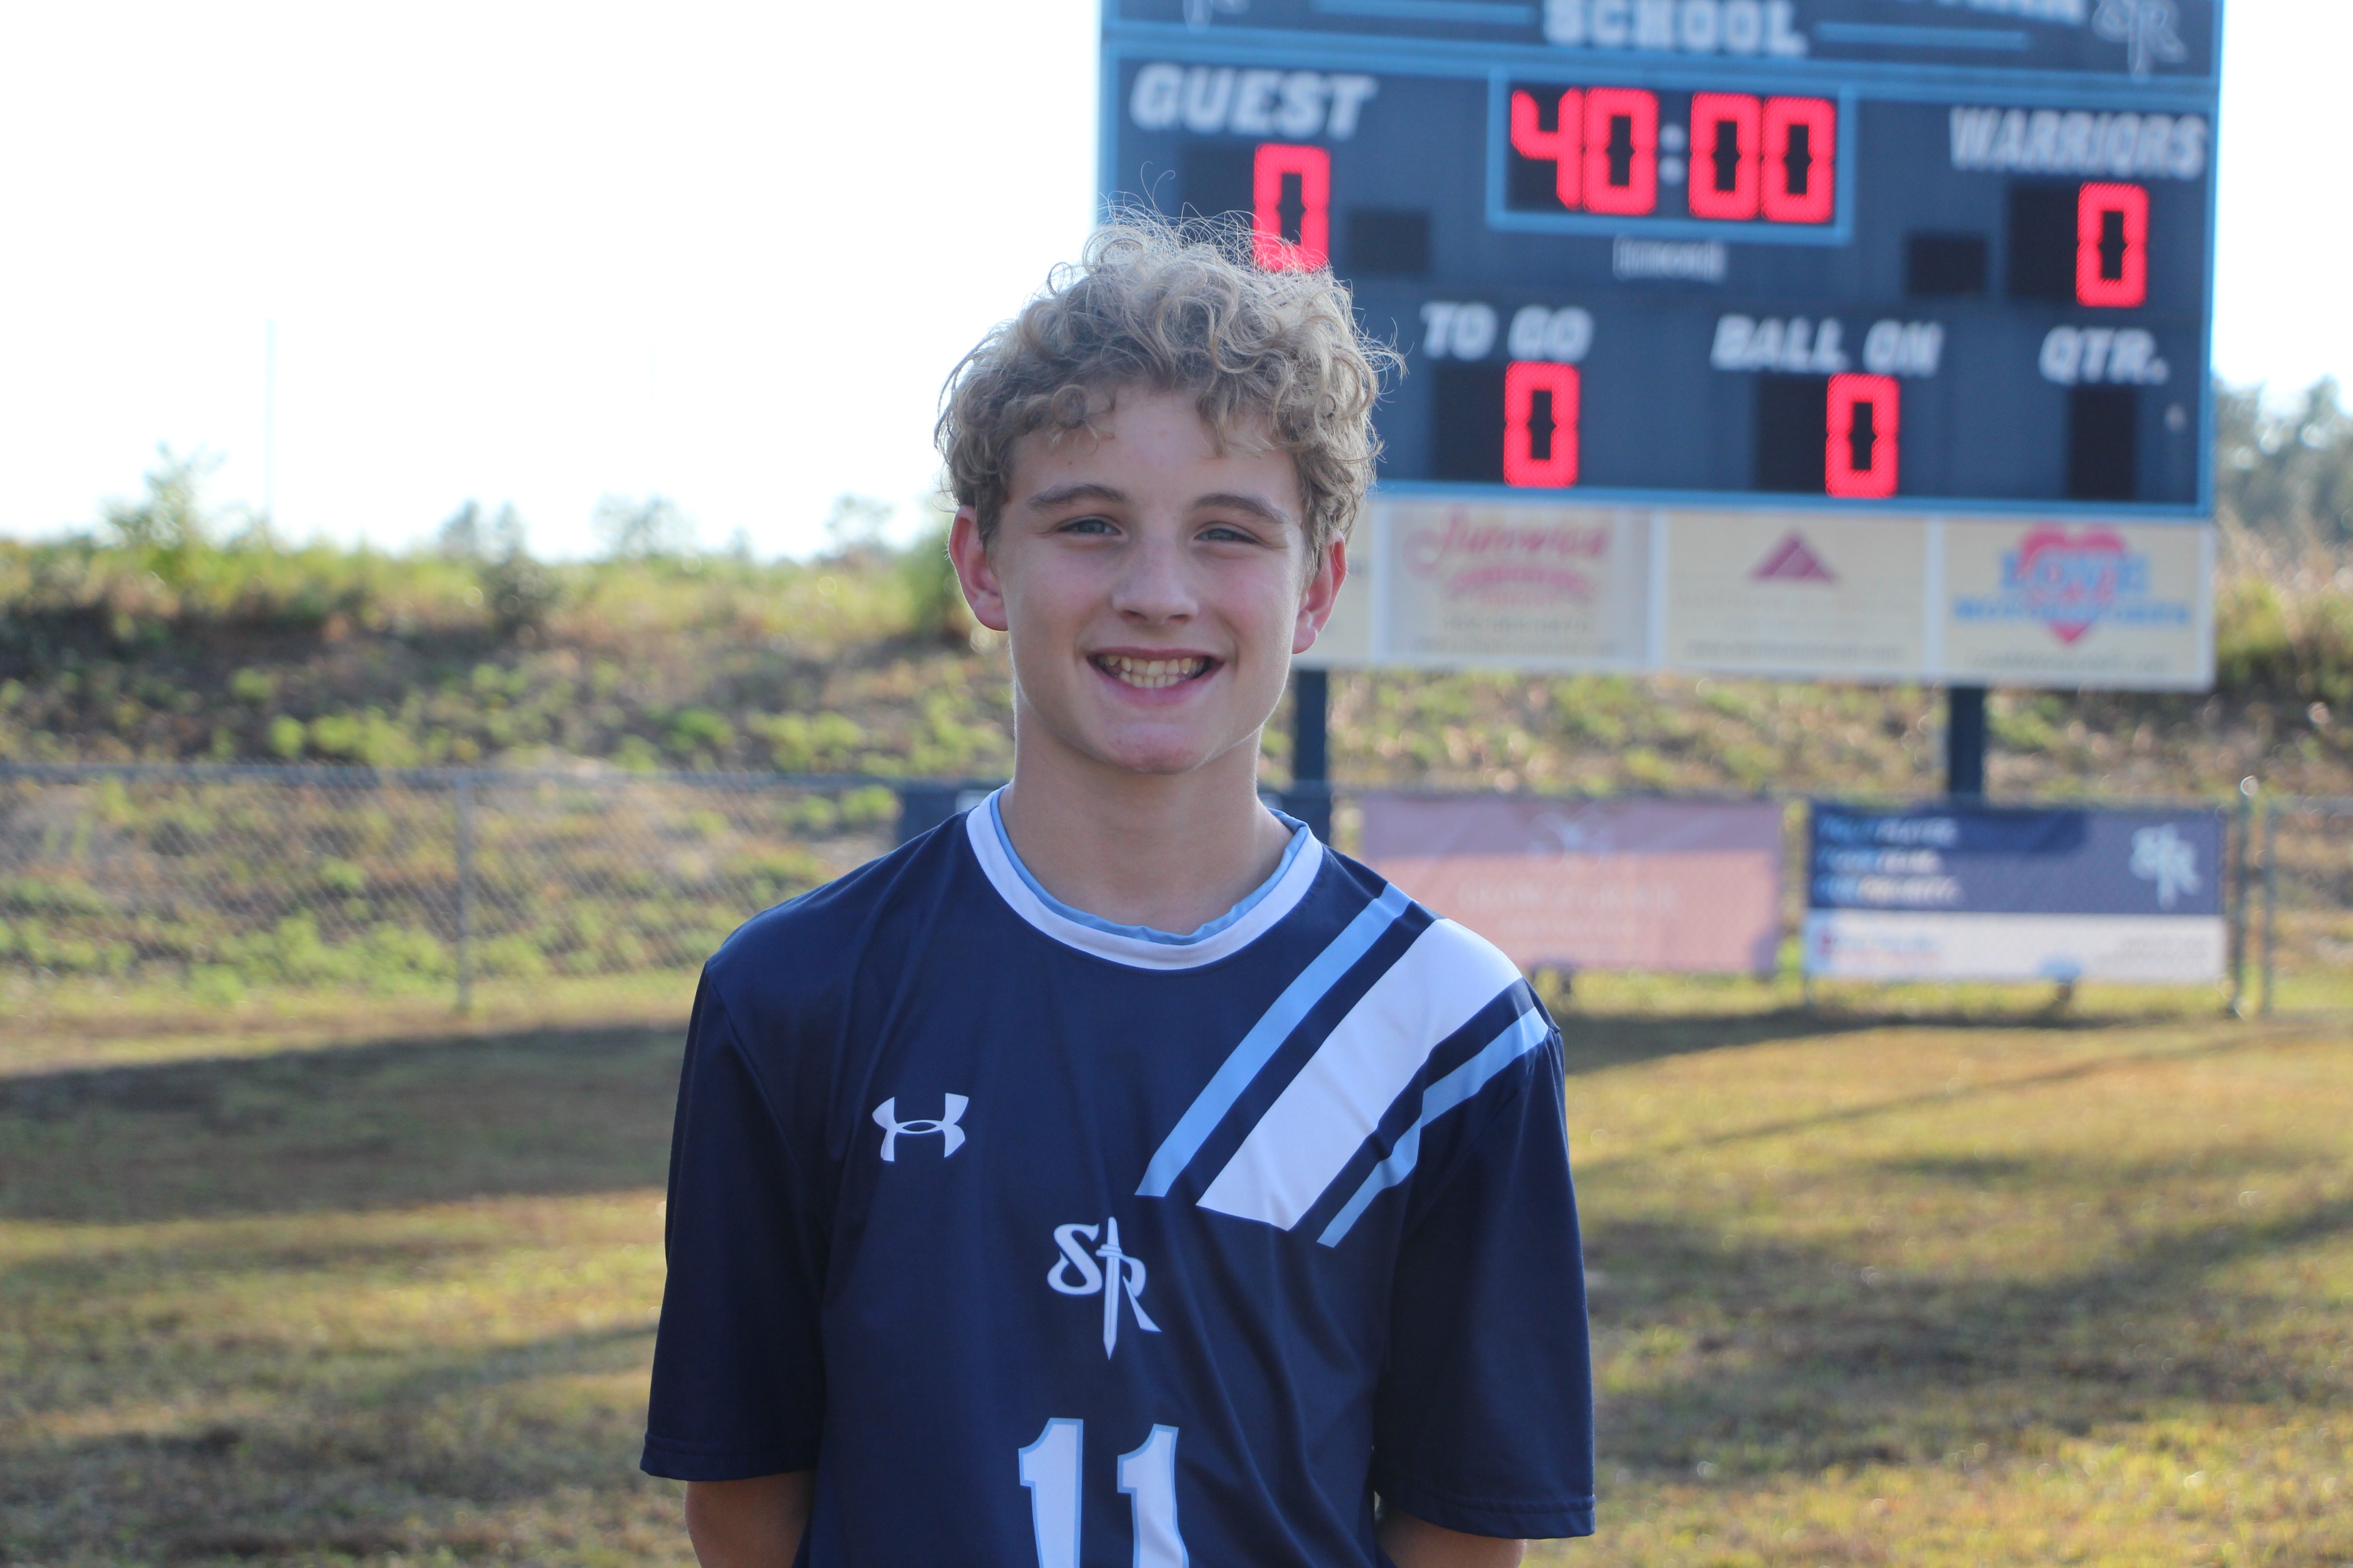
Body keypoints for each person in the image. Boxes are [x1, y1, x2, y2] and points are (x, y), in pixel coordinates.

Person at [641, 218, 1595, 1567]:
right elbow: (745, 1501)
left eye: (1226, 533)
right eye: (1089, 526)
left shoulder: (1446, 1027)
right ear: (983, 565)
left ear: (1314, 588)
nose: (1157, 593)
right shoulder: (797, 994)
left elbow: (1458, 1531)